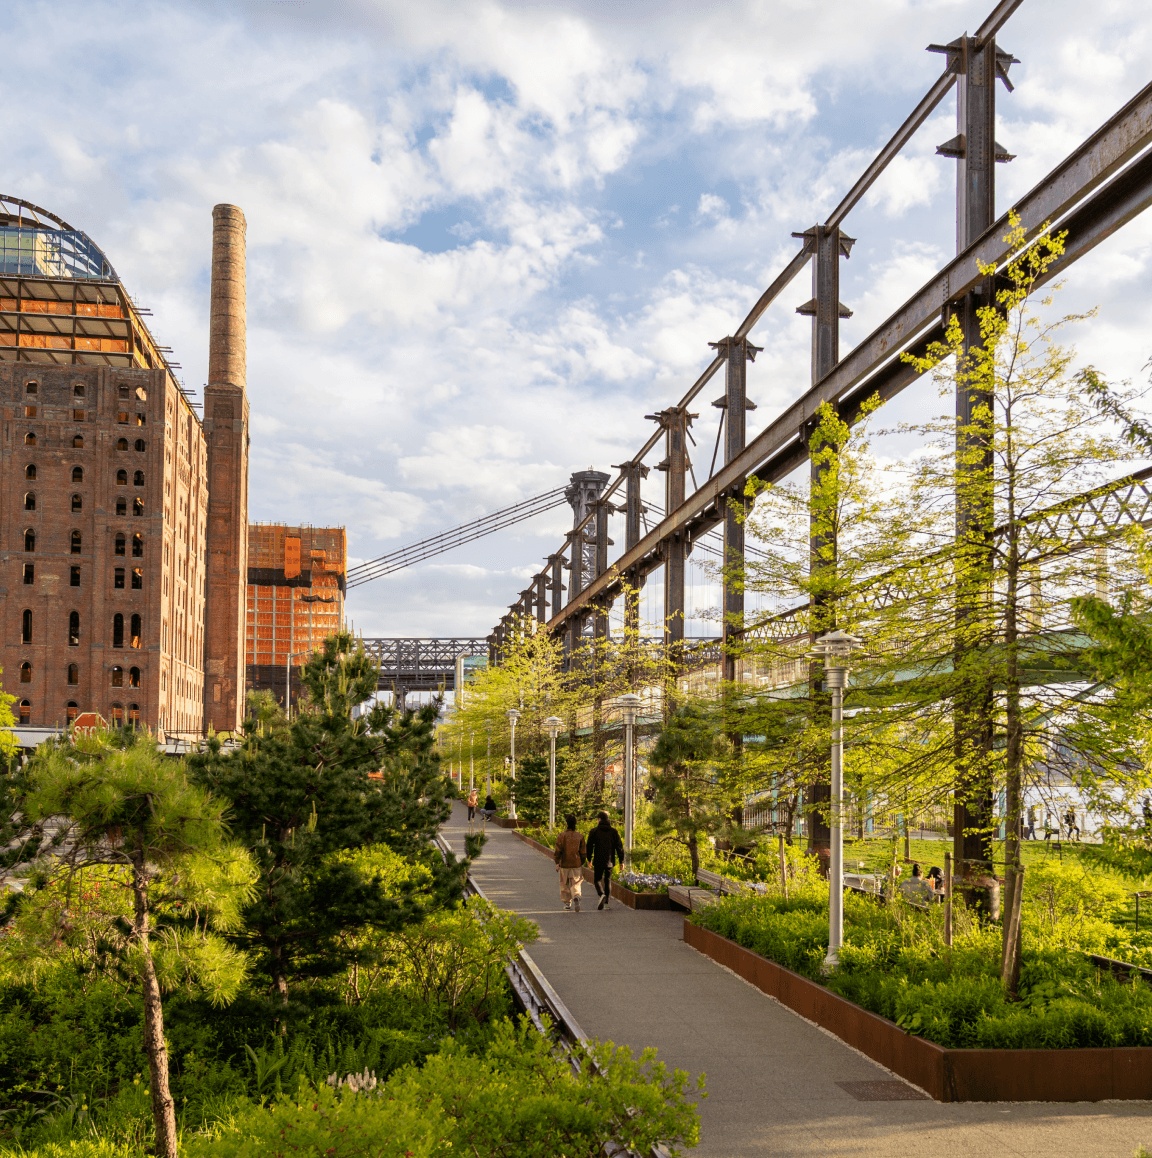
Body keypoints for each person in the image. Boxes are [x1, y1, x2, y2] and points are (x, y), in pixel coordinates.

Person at [586, 811, 625, 910]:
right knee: (608, 881)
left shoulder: (594, 831)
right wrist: (622, 861)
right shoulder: (613, 832)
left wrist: (589, 859)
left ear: (599, 819)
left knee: (597, 880)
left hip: (598, 860)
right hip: (609, 861)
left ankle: (601, 894)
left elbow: (589, 845)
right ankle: (606, 903)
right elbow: (619, 847)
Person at [553, 813, 586, 912]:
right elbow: (583, 852)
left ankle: (567, 903)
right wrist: (581, 862)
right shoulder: (580, 836)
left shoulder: (561, 836)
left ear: (567, 824)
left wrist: (557, 862)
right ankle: (576, 895)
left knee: (564, 884)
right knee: (576, 883)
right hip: (576, 864)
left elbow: (558, 851)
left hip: (565, 864)